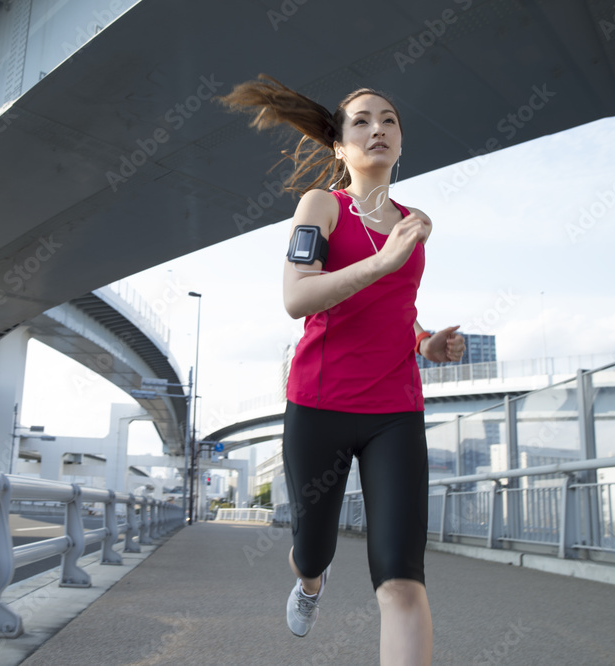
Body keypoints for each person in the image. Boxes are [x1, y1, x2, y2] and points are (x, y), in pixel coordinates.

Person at [220, 75, 465, 666]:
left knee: (401, 579)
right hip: (319, 406)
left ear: (401, 141)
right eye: (361, 120)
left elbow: (391, 310)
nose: (377, 128)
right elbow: (298, 297)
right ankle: (309, 584)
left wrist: (425, 343)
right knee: (314, 549)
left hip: (395, 413)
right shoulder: (322, 206)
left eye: (389, 119)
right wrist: (384, 260)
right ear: (339, 144)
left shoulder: (413, 222)